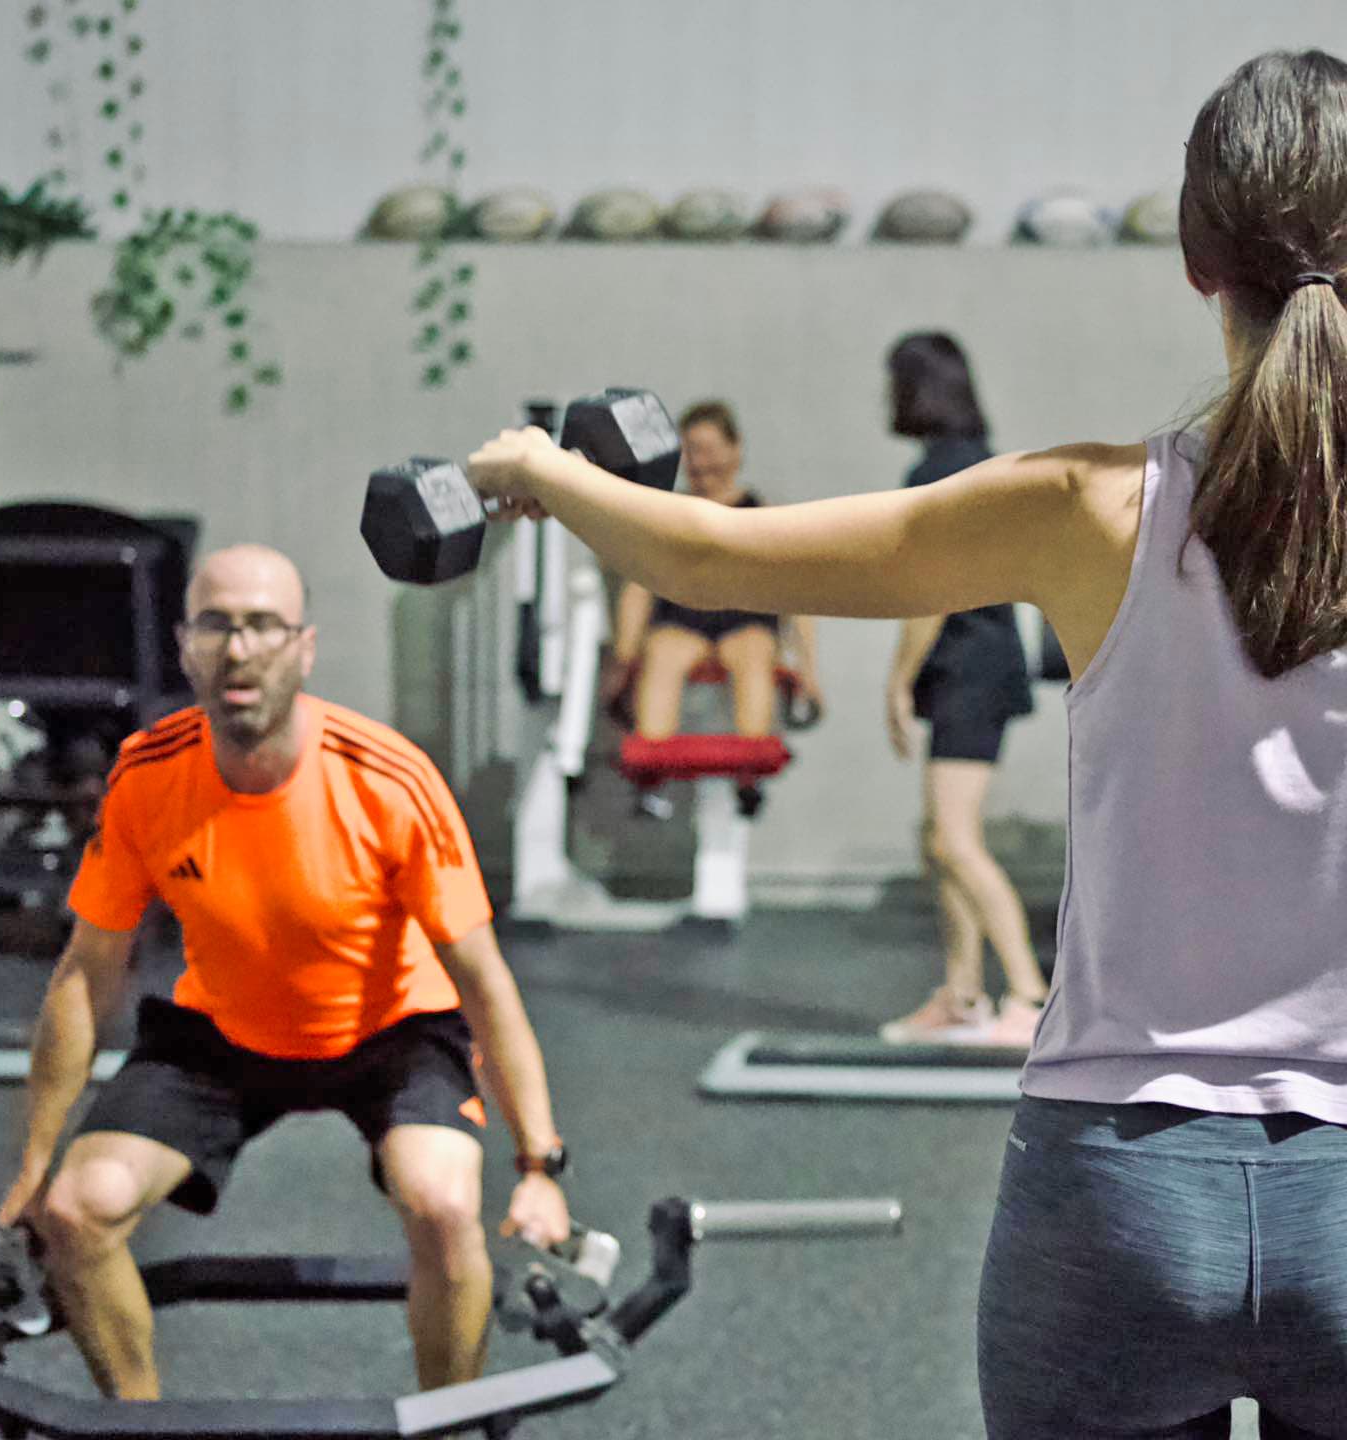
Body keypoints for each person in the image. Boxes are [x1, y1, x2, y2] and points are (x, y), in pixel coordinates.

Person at [469, 49, 1347, 1437]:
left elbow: (712, 556)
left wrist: (537, 472)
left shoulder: (1087, 509)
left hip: (1119, 1195)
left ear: (1196, 260)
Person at [0, 543, 571, 1401]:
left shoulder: (386, 780)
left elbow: (483, 979)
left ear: (304, 648)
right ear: (185, 644)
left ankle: (452, 1425)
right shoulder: (149, 777)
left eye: (264, 626)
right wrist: (37, 1163)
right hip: (224, 1031)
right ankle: (139, 1424)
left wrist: (537, 1167)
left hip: (392, 1029)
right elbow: (88, 970)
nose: (239, 650)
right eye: (218, 625)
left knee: (444, 1205)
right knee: (80, 1208)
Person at [878, 333, 1049, 1047]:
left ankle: (1031, 996)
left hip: (969, 671)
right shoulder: (979, 463)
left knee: (952, 837)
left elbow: (933, 591)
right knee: (941, 837)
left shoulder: (939, 472)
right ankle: (962, 994)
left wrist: (896, 680)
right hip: (978, 669)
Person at [600, 400, 824, 818]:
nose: (698, 461)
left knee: (756, 651)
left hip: (745, 622)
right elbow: (639, 586)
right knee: (661, 653)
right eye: (689, 451)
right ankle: (652, 780)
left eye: (706, 449)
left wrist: (809, 670)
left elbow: (797, 592)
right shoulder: (670, 515)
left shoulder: (764, 513)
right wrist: (624, 657)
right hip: (683, 621)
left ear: (734, 450)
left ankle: (749, 773)